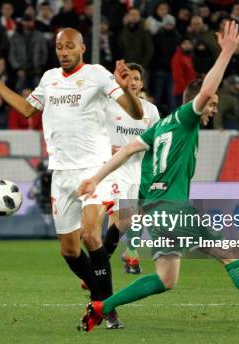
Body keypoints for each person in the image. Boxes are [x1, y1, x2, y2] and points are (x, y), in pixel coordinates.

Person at [77, 21, 239, 334]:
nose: (212, 109)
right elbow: (207, 88)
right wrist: (226, 52)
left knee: (165, 278)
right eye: (210, 105)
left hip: (152, 209)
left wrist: (94, 178)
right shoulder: (186, 117)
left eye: (212, 105)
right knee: (230, 254)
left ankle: (101, 306)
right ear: (195, 102)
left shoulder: (159, 126)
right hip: (172, 207)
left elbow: (126, 151)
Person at [0, 28, 144, 328]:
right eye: (59, 47)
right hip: (61, 173)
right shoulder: (49, 78)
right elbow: (27, 109)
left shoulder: (98, 75)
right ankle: (99, 297)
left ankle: (107, 308)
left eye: (69, 47)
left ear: (82, 48)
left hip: (94, 170)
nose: (64, 52)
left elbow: (136, 113)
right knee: (69, 249)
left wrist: (126, 87)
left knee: (91, 234)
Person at [101, 63, 160, 275]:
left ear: (142, 83)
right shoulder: (107, 105)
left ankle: (122, 254)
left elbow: (157, 140)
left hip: (138, 169)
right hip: (113, 169)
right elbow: (91, 131)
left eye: (136, 78)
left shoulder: (150, 110)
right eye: (128, 77)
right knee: (120, 218)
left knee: (127, 219)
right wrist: (105, 148)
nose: (132, 82)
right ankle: (102, 263)